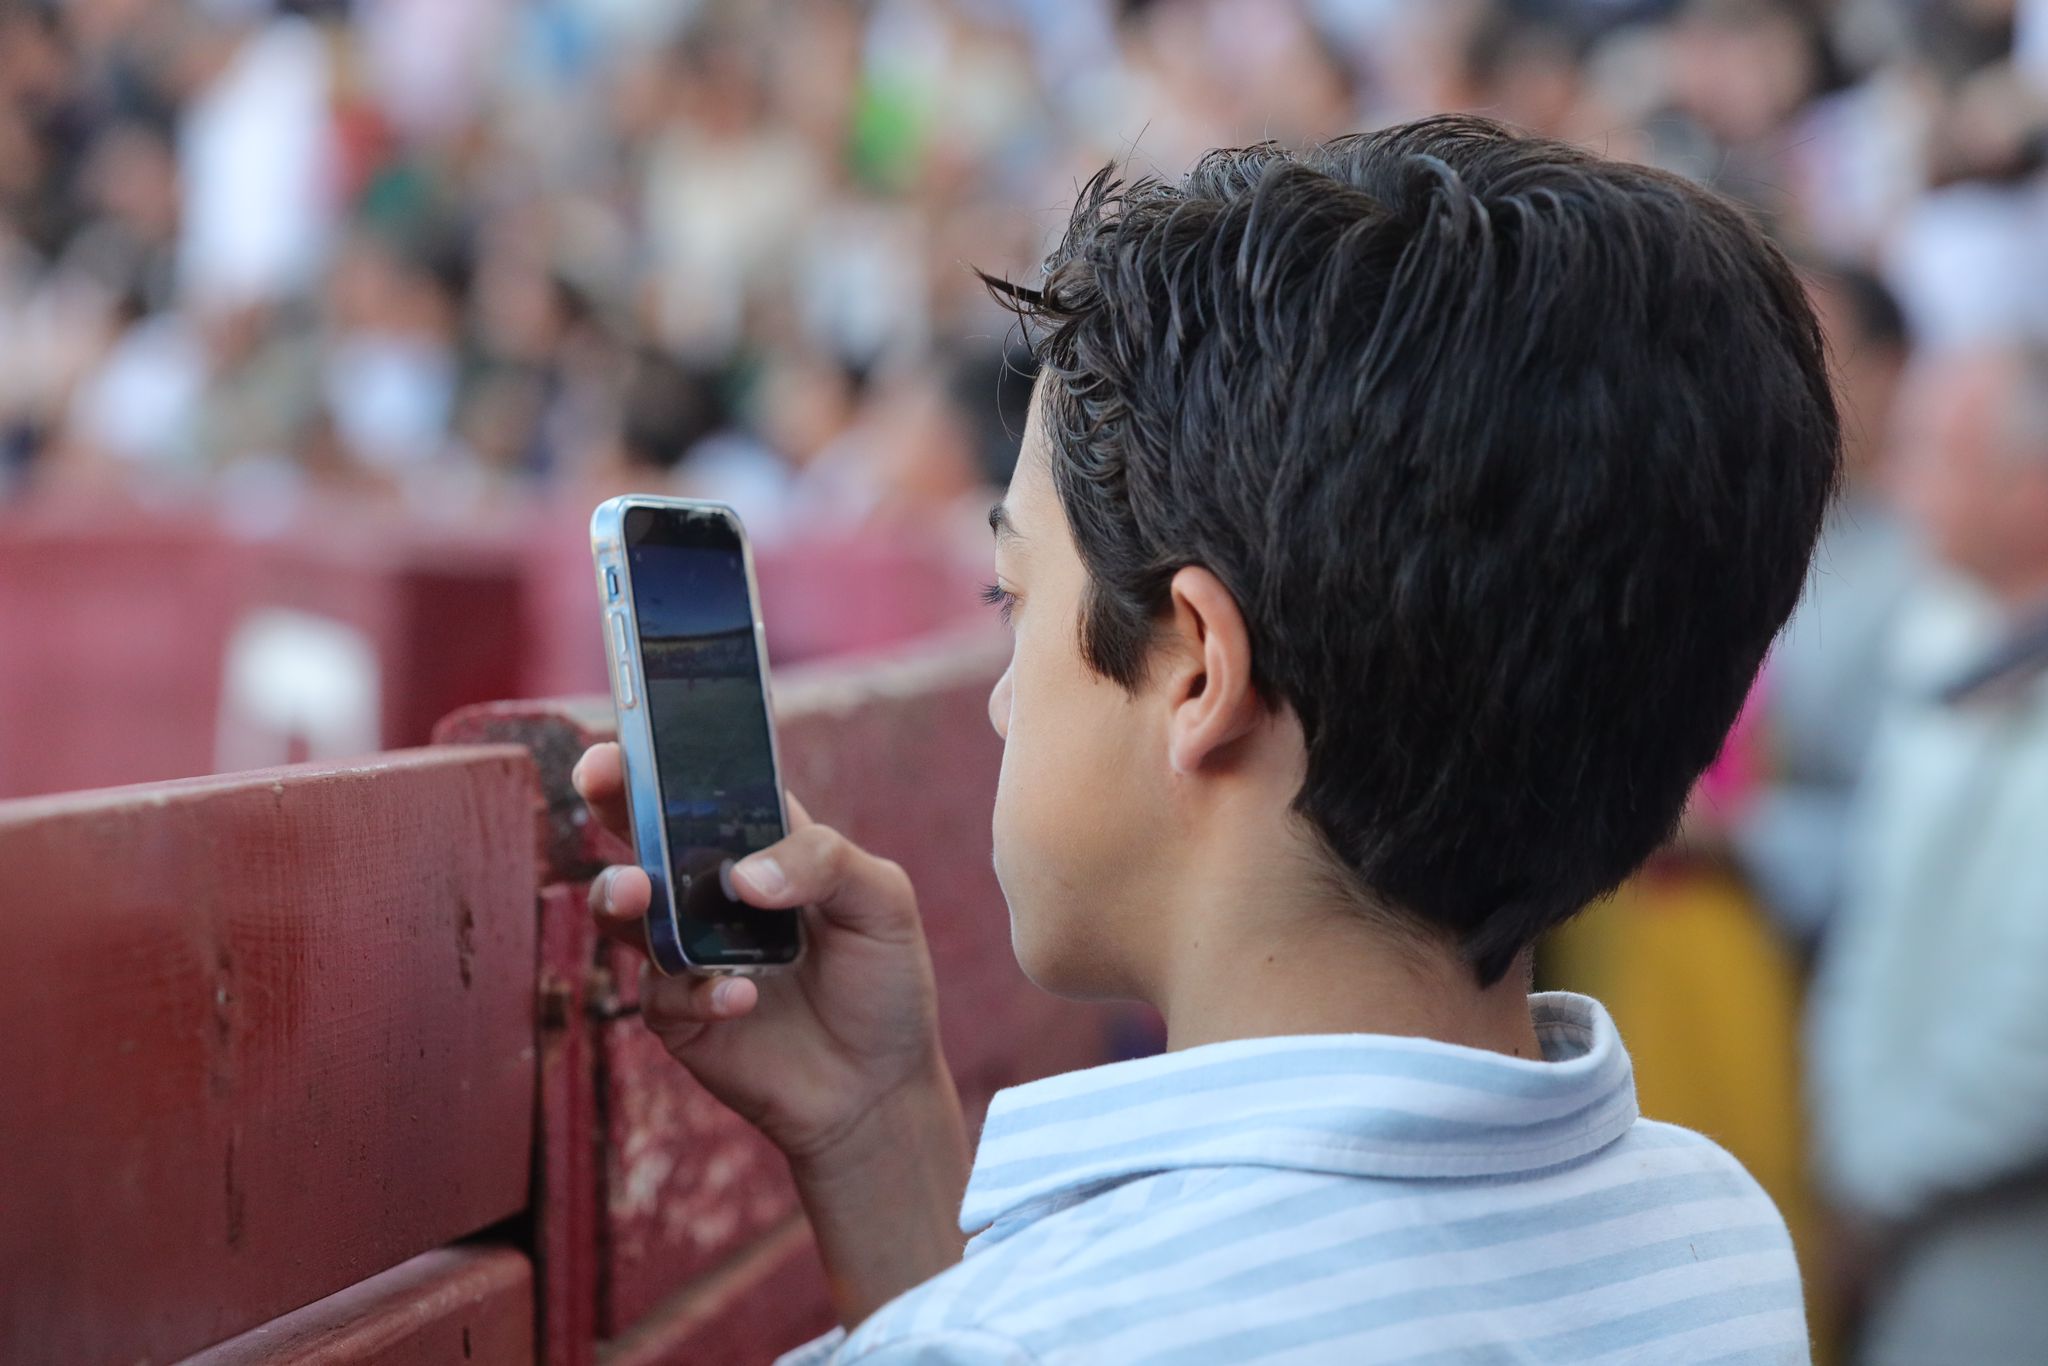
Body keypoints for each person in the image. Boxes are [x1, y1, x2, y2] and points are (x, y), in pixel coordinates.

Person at [572, 115, 1838, 1363]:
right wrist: (875, 1131)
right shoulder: (1708, 1227)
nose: (1004, 694)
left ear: (1193, 672)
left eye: (1013, 596)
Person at [1804, 340, 2048, 1365]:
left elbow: (2023, 1038)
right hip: (1898, 1214)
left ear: (2030, 489)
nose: (1895, 479)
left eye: (1932, 453)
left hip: (1995, 1250)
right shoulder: (1945, 626)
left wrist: (1870, 1181)